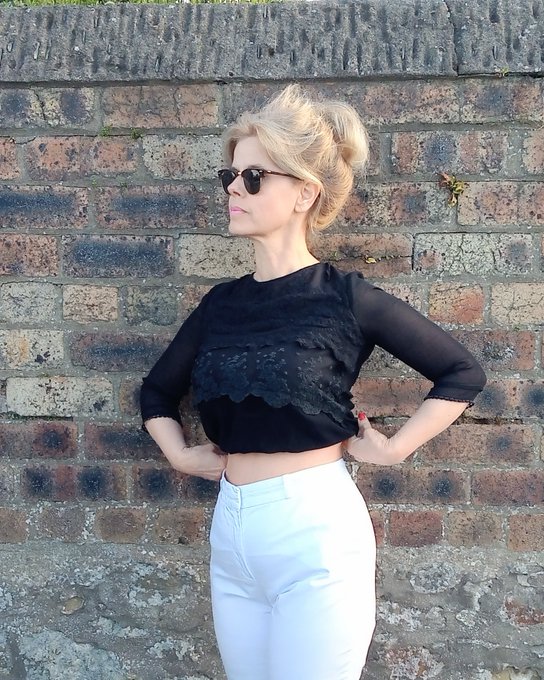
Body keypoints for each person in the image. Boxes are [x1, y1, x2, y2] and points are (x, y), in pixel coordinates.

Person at [140, 84, 486, 680]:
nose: (234, 188)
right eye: (230, 175)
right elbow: (156, 393)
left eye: (254, 177)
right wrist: (178, 453)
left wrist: (395, 448)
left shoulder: (345, 298)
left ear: (305, 192)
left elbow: (462, 372)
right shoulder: (220, 305)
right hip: (232, 531)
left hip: (314, 529)